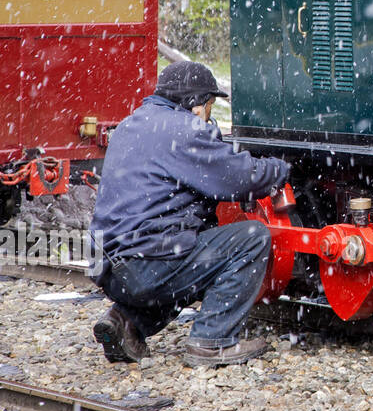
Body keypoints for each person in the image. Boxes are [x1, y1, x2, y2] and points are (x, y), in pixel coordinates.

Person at [90, 61, 290, 367]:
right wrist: (280, 168)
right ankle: (212, 342)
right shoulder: (184, 129)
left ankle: (125, 321)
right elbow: (239, 177)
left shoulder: (131, 124)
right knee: (251, 239)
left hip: (106, 265)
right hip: (146, 265)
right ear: (196, 104)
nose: (208, 116)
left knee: (189, 252)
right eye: (209, 106)